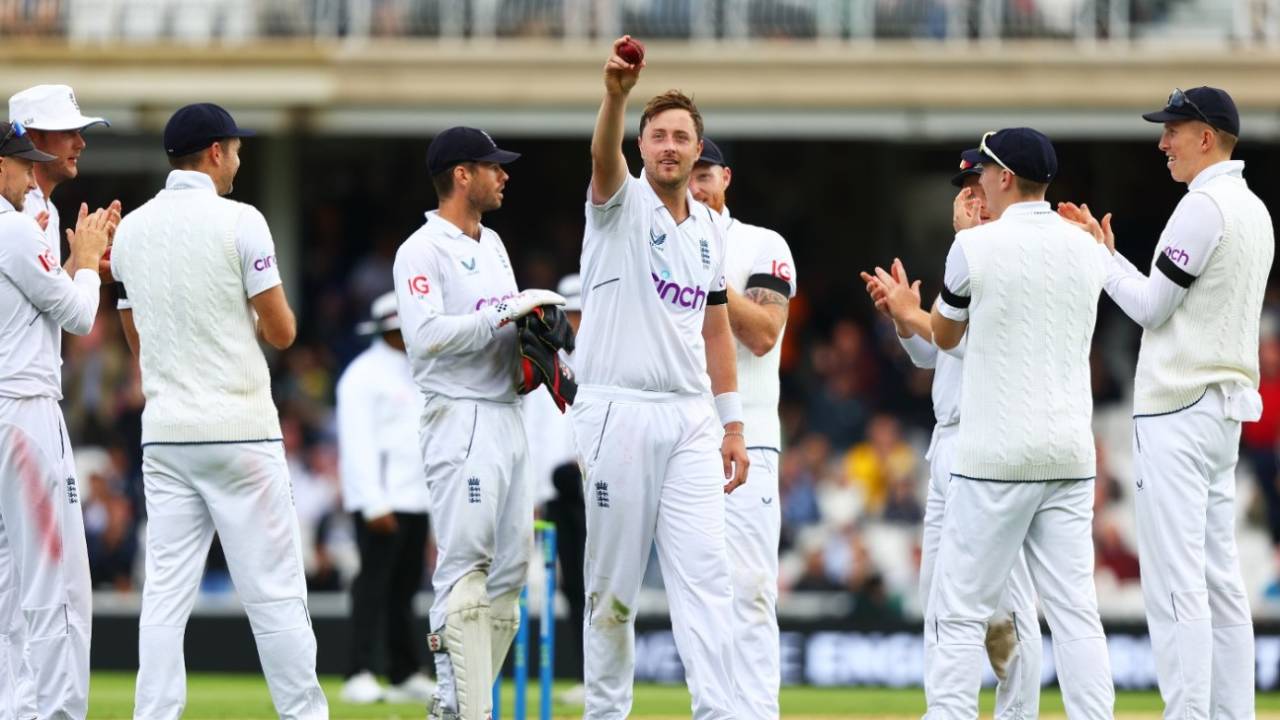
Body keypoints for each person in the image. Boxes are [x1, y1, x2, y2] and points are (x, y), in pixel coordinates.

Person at [109, 103, 327, 720]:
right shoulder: (243, 221)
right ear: (213, 153)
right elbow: (283, 332)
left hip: (168, 437)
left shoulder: (131, 232)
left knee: (164, 598)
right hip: (240, 433)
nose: (238, 159)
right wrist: (241, 320)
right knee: (276, 594)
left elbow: (138, 344)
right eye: (234, 149)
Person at [1060, 86, 1273, 718]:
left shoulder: (1202, 206)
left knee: (1177, 583)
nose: (1162, 143)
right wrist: (1111, 256)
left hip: (1178, 407)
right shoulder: (1254, 208)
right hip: (1223, 409)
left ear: (1206, 137)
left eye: (1173, 131)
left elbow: (1152, 306)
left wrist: (1099, 258)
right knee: (1219, 579)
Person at [573, 37, 749, 719]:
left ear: (698, 152)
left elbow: (714, 330)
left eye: (682, 137)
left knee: (708, 579)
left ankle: (721, 711)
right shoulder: (619, 204)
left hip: (690, 419)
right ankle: (607, 711)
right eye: (658, 135)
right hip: (618, 411)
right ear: (641, 146)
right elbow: (600, 156)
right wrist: (616, 94)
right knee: (612, 590)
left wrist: (732, 422)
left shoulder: (708, 230)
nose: (670, 146)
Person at [928, 127, 1115, 717]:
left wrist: (964, 245)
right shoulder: (1089, 248)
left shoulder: (973, 246)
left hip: (994, 457)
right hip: (1068, 453)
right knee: (1076, 612)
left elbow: (944, 335)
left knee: (959, 611)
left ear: (1005, 177)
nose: (978, 181)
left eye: (984, 171)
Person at [861, 152, 1042, 717]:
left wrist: (917, 313)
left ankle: (1015, 712)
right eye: (964, 187)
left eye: (978, 184)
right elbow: (932, 352)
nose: (971, 197)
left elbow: (972, 343)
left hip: (991, 443)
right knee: (938, 596)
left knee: (1005, 605)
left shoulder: (1009, 255)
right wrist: (903, 317)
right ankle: (946, 708)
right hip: (949, 440)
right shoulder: (964, 259)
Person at [392, 126, 564, 720]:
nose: (504, 174)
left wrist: (538, 351)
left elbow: (508, 330)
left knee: (513, 570)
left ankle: (460, 703)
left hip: (508, 414)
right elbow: (426, 337)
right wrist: (500, 314)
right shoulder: (421, 249)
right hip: (460, 416)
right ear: (462, 175)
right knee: (465, 564)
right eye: (493, 166)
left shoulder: (492, 244)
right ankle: (462, 704)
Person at [0, 121, 111, 720]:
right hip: (25, 414)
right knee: (59, 582)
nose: (25, 176)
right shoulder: (12, 227)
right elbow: (78, 317)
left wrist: (69, 261)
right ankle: (58, 713)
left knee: (9, 585)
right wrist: (89, 261)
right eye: (19, 164)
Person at [688, 138, 795, 719]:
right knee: (696, 594)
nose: (698, 185)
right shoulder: (653, 241)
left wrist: (704, 275)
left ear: (726, 178)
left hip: (748, 436)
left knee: (749, 588)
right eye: (690, 175)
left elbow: (762, 333)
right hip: (675, 434)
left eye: (707, 174)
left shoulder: (760, 243)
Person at [336, 291, 435, 705]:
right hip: (382, 502)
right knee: (373, 586)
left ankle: (402, 670)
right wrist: (373, 502)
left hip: (417, 500)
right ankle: (359, 669)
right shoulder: (362, 374)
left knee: (405, 589)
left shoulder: (421, 370)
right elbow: (357, 444)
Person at [519, 273, 588, 706]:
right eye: (573, 314)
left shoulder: (607, 360)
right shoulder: (545, 361)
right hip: (559, 492)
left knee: (598, 585)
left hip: (597, 486)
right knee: (574, 587)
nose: (578, 323)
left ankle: (603, 676)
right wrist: (535, 495)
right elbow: (536, 437)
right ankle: (589, 675)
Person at [8, 84, 114, 252]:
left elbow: (49, 278)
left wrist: (88, 259)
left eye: (79, 132)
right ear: (30, 138)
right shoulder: (11, 205)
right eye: (67, 132)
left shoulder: (49, 209)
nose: (81, 143)